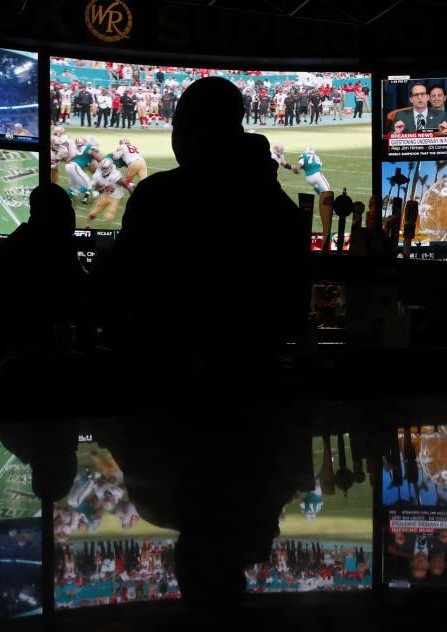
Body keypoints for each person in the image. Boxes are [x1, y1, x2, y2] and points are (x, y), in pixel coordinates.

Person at [87, 76, 309, 606]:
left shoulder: (163, 196)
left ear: (192, 131)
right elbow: (292, 319)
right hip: (259, 409)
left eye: (178, 123)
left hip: (169, 408)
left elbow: (112, 300)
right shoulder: (279, 207)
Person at [0, 183, 86, 356]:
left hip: (14, 347)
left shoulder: (17, 241)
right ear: (55, 213)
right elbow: (80, 293)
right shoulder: (54, 245)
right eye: (67, 208)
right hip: (36, 351)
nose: (71, 215)